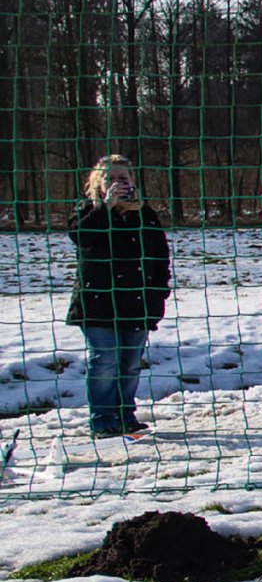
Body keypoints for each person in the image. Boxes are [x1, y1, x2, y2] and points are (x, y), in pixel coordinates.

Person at [66, 155, 171, 438]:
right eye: (110, 178)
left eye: (123, 177)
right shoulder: (87, 210)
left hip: (137, 302)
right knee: (105, 360)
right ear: (98, 184)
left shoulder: (144, 213)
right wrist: (106, 207)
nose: (118, 183)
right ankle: (102, 420)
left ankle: (125, 416)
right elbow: (80, 237)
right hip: (98, 303)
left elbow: (160, 255)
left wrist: (159, 291)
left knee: (130, 363)